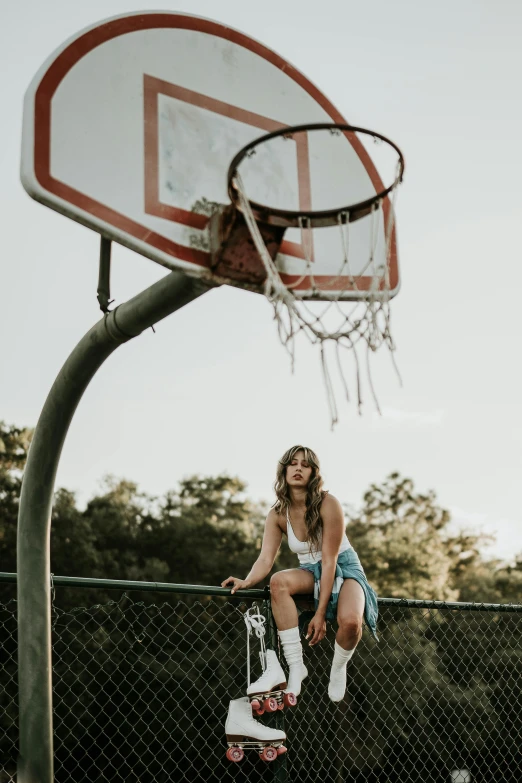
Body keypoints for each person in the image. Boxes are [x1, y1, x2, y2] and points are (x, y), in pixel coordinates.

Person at [221, 445, 378, 703]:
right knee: (278, 581)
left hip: (344, 567)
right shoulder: (277, 514)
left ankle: (339, 667)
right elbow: (265, 558)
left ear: (313, 472)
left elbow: (329, 561)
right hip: (310, 570)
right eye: (293, 463)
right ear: (283, 470)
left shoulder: (329, 503)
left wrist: (319, 614)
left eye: (305, 465)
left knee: (350, 622)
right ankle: (296, 667)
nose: (298, 468)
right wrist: (247, 580)